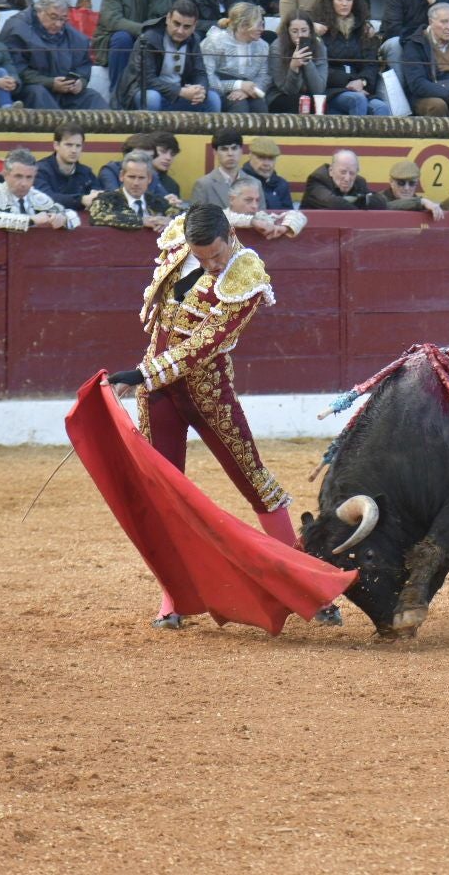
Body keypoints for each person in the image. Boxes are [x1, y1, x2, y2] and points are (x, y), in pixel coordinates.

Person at [105, 204, 308, 630]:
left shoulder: (246, 274)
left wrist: (144, 374)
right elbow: (161, 319)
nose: (211, 264)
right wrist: (145, 375)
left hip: (208, 389)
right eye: (202, 257)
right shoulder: (182, 240)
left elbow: (202, 345)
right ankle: (174, 598)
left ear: (230, 235)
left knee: (253, 478)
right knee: (161, 493)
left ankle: (305, 582)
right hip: (157, 389)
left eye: (216, 256)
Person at [1, 0, 106, 109]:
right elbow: (16, 69)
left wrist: (80, 82)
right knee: (38, 93)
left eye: (63, 19)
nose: (58, 24)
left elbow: (83, 65)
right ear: (39, 11)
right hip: (31, 89)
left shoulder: (73, 35)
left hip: (64, 91)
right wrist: (50, 83)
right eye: (53, 17)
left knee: (92, 97)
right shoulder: (17, 28)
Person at [116, 0, 221, 113]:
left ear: (194, 26)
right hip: (148, 92)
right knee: (152, 98)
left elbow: (199, 72)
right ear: (168, 19)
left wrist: (200, 90)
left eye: (186, 27)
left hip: (179, 94)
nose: (180, 31)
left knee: (213, 99)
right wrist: (180, 91)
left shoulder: (194, 40)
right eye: (176, 24)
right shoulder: (149, 38)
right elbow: (146, 79)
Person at [93, 0, 172, 89]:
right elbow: (112, 21)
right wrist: (145, 30)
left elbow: (164, 21)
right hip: (113, 41)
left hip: (149, 40)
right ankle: (118, 94)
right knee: (122, 37)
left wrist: (148, 33)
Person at [315, 0, 389, 116]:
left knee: (382, 108)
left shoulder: (364, 29)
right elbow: (321, 66)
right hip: (333, 89)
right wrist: (349, 82)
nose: (344, 4)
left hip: (360, 87)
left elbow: (371, 64)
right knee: (357, 100)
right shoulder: (321, 30)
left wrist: (362, 81)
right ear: (330, 1)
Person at [202, 0, 273, 112]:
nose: (262, 29)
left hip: (249, 89)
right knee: (239, 106)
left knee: (259, 106)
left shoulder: (262, 46)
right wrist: (237, 85)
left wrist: (248, 90)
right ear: (243, 26)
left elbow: (264, 75)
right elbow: (207, 77)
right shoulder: (215, 42)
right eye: (259, 24)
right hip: (220, 90)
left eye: (262, 24)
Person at [88, 153, 184, 231]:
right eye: (131, 177)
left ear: (149, 179)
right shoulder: (107, 199)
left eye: (141, 178)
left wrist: (170, 221)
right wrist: (141, 220)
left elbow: (186, 216)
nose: (136, 183)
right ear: (122, 176)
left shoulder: (155, 200)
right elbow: (97, 215)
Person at [269, 11, 329, 112]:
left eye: (304, 30)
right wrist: (293, 67)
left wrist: (307, 61)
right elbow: (288, 90)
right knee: (299, 103)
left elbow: (318, 89)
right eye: (294, 31)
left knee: (319, 104)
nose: (300, 35)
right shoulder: (277, 47)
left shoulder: (319, 46)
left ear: (310, 31)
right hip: (280, 96)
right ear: (287, 31)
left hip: (308, 94)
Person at [36, 123, 98, 210]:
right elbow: (46, 198)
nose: (74, 150)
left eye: (78, 146)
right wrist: (81, 200)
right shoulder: (40, 170)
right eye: (69, 145)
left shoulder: (86, 173)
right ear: (56, 145)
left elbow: (98, 194)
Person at [191, 129, 257, 206]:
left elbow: (261, 216)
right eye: (224, 149)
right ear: (215, 152)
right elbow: (196, 217)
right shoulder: (203, 185)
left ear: (241, 151)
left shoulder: (255, 183)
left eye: (234, 148)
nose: (230, 153)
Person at [301, 148, 385, 209]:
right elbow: (334, 204)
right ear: (331, 170)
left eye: (352, 173)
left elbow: (381, 202)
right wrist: (360, 207)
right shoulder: (317, 179)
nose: (347, 178)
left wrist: (364, 200)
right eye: (343, 172)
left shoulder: (359, 181)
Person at [226, 177, 308, 239]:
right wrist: (252, 222)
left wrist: (284, 227)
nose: (255, 206)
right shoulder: (221, 215)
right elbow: (226, 218)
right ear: (232, 199)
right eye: (248, 200)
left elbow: (299, 215)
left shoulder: (260, 217)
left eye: (257, 200)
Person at [374, 158, 447, 218]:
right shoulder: (379, 199)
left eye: (412, 183)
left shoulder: (422, 205)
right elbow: (387, 206)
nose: (406, 188)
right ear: (391, 182)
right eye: (401, 183)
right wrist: (421, 202)